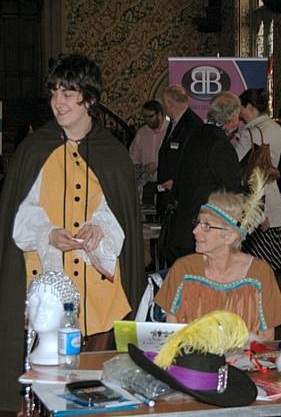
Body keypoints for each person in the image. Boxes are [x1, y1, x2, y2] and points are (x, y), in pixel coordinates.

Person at [0, 54, 144, 411]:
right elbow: (19, 211)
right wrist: (48, 233)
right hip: (44, 291)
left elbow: (115, 212)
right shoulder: (35, 149)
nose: (58, 102)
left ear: (90, 101)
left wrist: (100, 227)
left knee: (93, 388)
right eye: (54, 93)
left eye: (68, 93)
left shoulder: (112, 153)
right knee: (41, 381)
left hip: (98, 294)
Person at [154, 181, 281, 341]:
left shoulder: (259, 274)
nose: (195, 231)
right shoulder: (184, 269)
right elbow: (171, 332)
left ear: (230, 236)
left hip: (244, 362)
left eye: (206, 226)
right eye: (197, 223)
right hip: (193, 362)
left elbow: (266, 337)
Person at [161, 92, 242, 264]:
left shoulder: (194, 135)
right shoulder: (220, 145)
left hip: (181, 229)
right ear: (234, 119)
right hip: (204, 234)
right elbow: (232, 191)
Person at [238, 88, 281, 271]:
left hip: (255, 203)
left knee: (251, 267)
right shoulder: (276, 128)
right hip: (273, 199)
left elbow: (236, 165)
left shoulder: (250, 133)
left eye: (241, 108)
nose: (239, 114)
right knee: (268, 267)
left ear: (249, 107)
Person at [156, 84, 202, 218]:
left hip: (181, 197)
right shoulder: (174, 122)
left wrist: (178, 183)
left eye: (163, 103)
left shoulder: (193, 125)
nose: (163, 107)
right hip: (169, 196)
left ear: (169, 103)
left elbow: (195, 161)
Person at [129, 100, 168, 205]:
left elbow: (176, 157)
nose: (147, 120)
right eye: (144, 117)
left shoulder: (171, 131)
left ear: (160, 114)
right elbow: (133, 156)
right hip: (148, 182)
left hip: (167, 182)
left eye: (150, 116)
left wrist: (157, 165)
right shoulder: (142, 132)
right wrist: (137, 166)